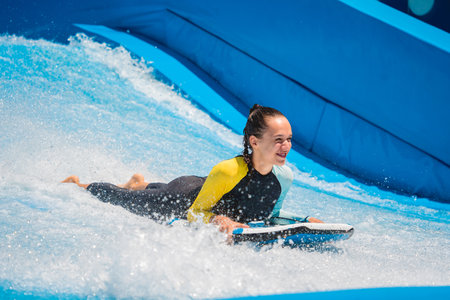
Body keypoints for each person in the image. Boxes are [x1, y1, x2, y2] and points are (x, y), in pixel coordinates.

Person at [62, 104, 323, 236]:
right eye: (278, 140)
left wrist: (303, 220)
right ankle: (79, 184)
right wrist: (218, 220)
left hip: (200, 190)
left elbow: (271, 215)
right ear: (254, 142)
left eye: (289, 139)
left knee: (150, 188)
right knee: (124, 199)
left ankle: (137, 181)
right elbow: (196, 211)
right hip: (179, 198)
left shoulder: (284, 177)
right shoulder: (227, 170)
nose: (286, 146)